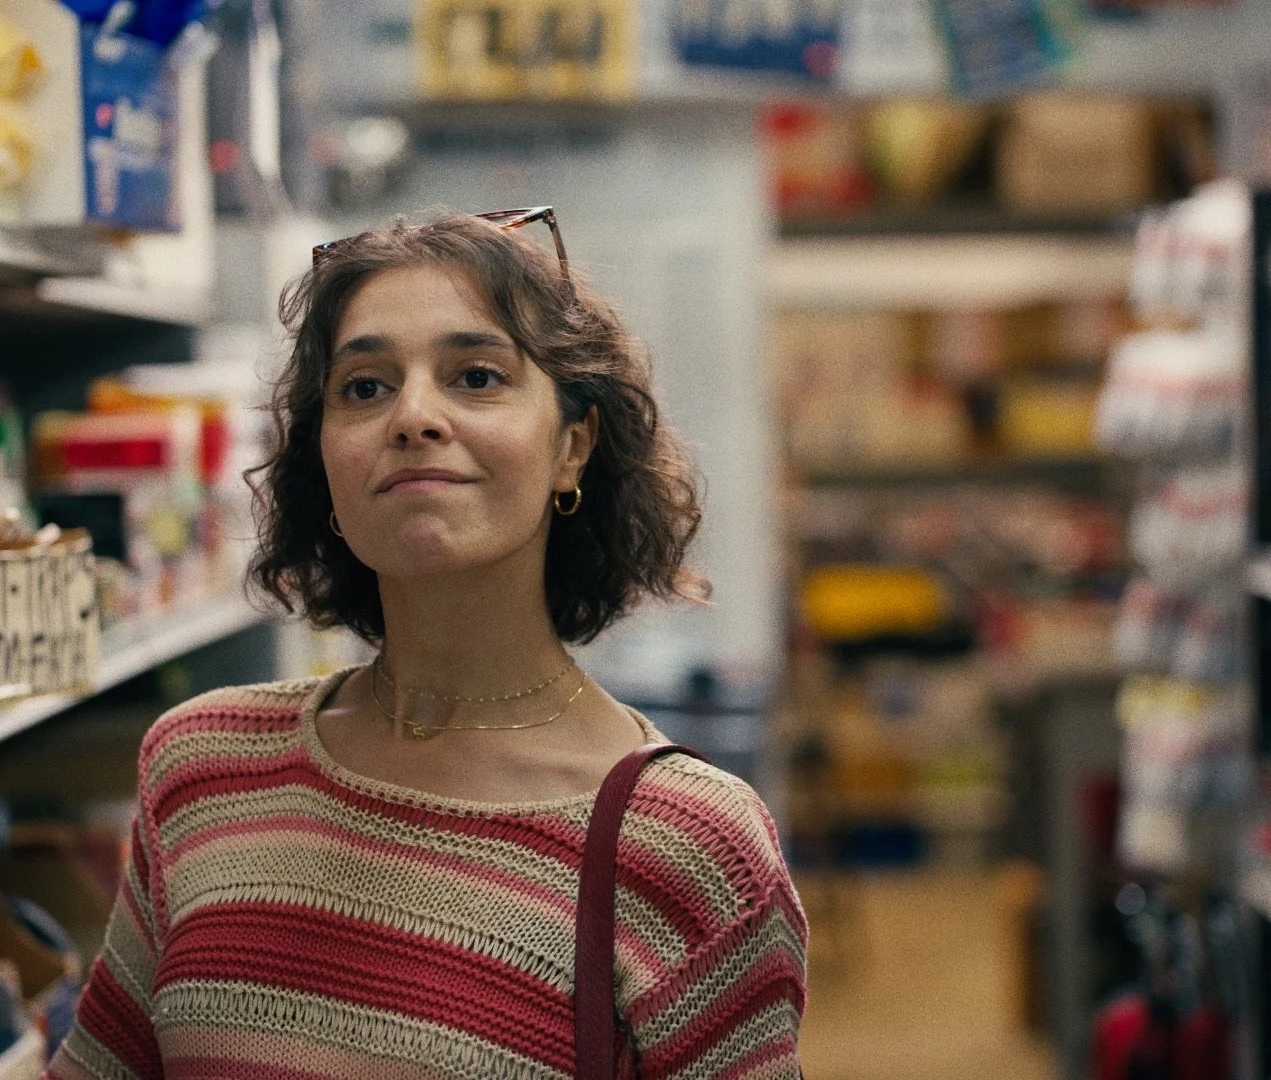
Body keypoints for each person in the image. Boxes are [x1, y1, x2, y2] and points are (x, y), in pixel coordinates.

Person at [46, 209, 808, 1079]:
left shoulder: (685, 846)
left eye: (476, 376)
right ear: (324, 461)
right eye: (364, 387)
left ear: (573, 445)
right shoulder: (203, 769)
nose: (413, 415)